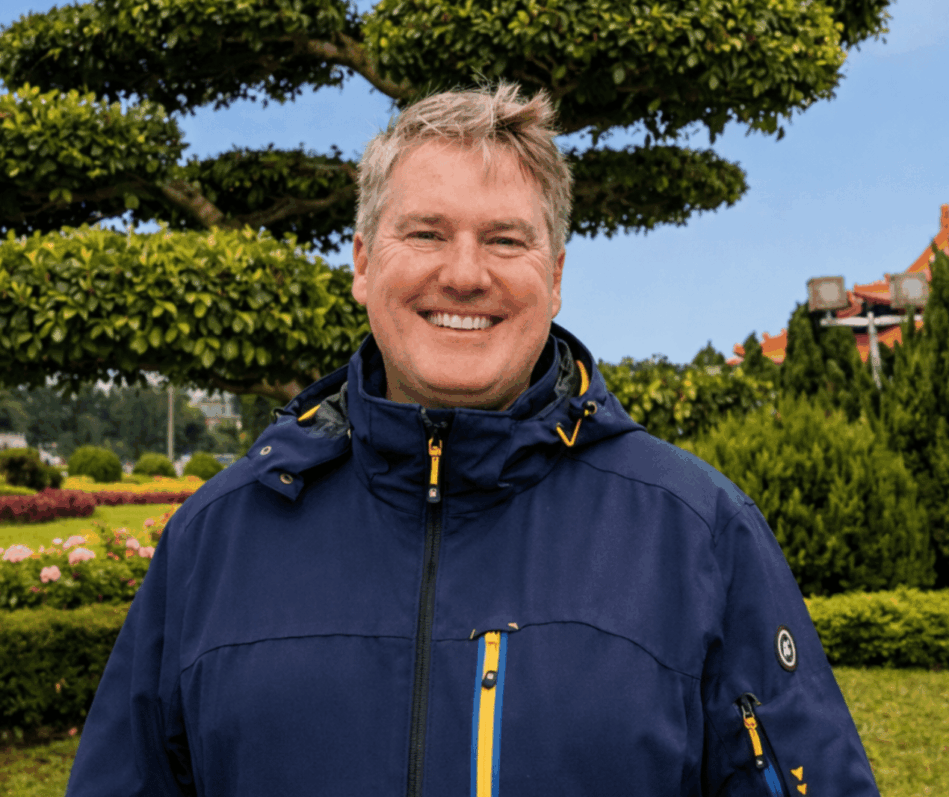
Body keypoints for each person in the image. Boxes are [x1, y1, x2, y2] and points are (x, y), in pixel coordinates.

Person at [66, 84, 879, 797]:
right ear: (361, 262)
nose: (463, 274)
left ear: (554, 276)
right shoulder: (215, 540)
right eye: (425, 234)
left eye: (504, 240)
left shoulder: (695, 535)